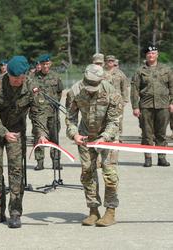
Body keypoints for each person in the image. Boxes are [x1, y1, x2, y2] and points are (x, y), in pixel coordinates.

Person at [0, 56, 48, 228]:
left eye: (20, 78)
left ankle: (15, 212)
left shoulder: (31, 86)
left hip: (17, 131)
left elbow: (38, 112)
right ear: (7, 74)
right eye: (14, 79)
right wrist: (4, 132)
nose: (17, 82)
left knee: (16, 170)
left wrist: (40, 133)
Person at [65, 64, 122, 227]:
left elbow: (114, 120)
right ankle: (93, 210)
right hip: (85, 136)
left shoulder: (111, 92)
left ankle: (110, 212)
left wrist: (104, 137)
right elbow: (70, 117)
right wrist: (74, 134)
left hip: (108, 136)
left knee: (109, 172)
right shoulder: (75, 91)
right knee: (87, 172)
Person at [130, 45, 173, 167]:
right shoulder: (140, 71)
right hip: (146, 106)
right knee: (147, 134)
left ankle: (162, 157)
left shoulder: (166, 69)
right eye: (149, 54)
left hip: (163, 106)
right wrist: (135, 107)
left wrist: (172, 102)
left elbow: (172, 87)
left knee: (161, 134)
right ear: (146, 56)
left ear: (157, 55)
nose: (151, 55)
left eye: (153, 53)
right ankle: (148, 158)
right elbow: (134, 89)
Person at [32, 54, 64, 170]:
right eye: (43, 64)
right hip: (39, 112)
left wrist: (55, 102)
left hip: (52, 112)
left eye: (47, 64)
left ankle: (56, 161)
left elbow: (60, 91)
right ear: (40, 65)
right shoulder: (33, 78)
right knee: (39, 136)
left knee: (54, 137)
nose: (45, 66)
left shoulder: (56, 77)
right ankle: (39, 161)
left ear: (50, 64)